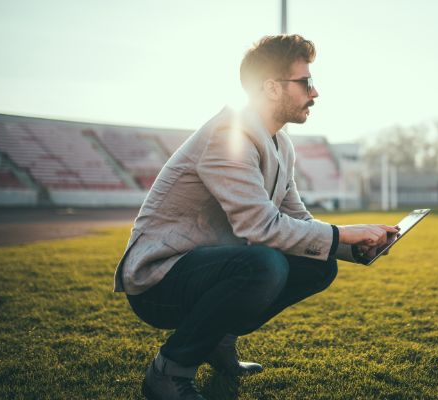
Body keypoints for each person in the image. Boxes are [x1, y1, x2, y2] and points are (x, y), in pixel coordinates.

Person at [113, 34, 399, 400]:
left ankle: (216, 341)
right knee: (265, 264)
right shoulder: (227, 134)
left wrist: (354, 249)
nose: (315, 93)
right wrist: (343, 234)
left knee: (319, 265)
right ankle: (168, 372)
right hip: (159, 279)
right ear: (272, 88)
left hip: (207, 269)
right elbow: (260, 228)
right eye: (306, 82)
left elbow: (297, 218)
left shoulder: (280, 143)